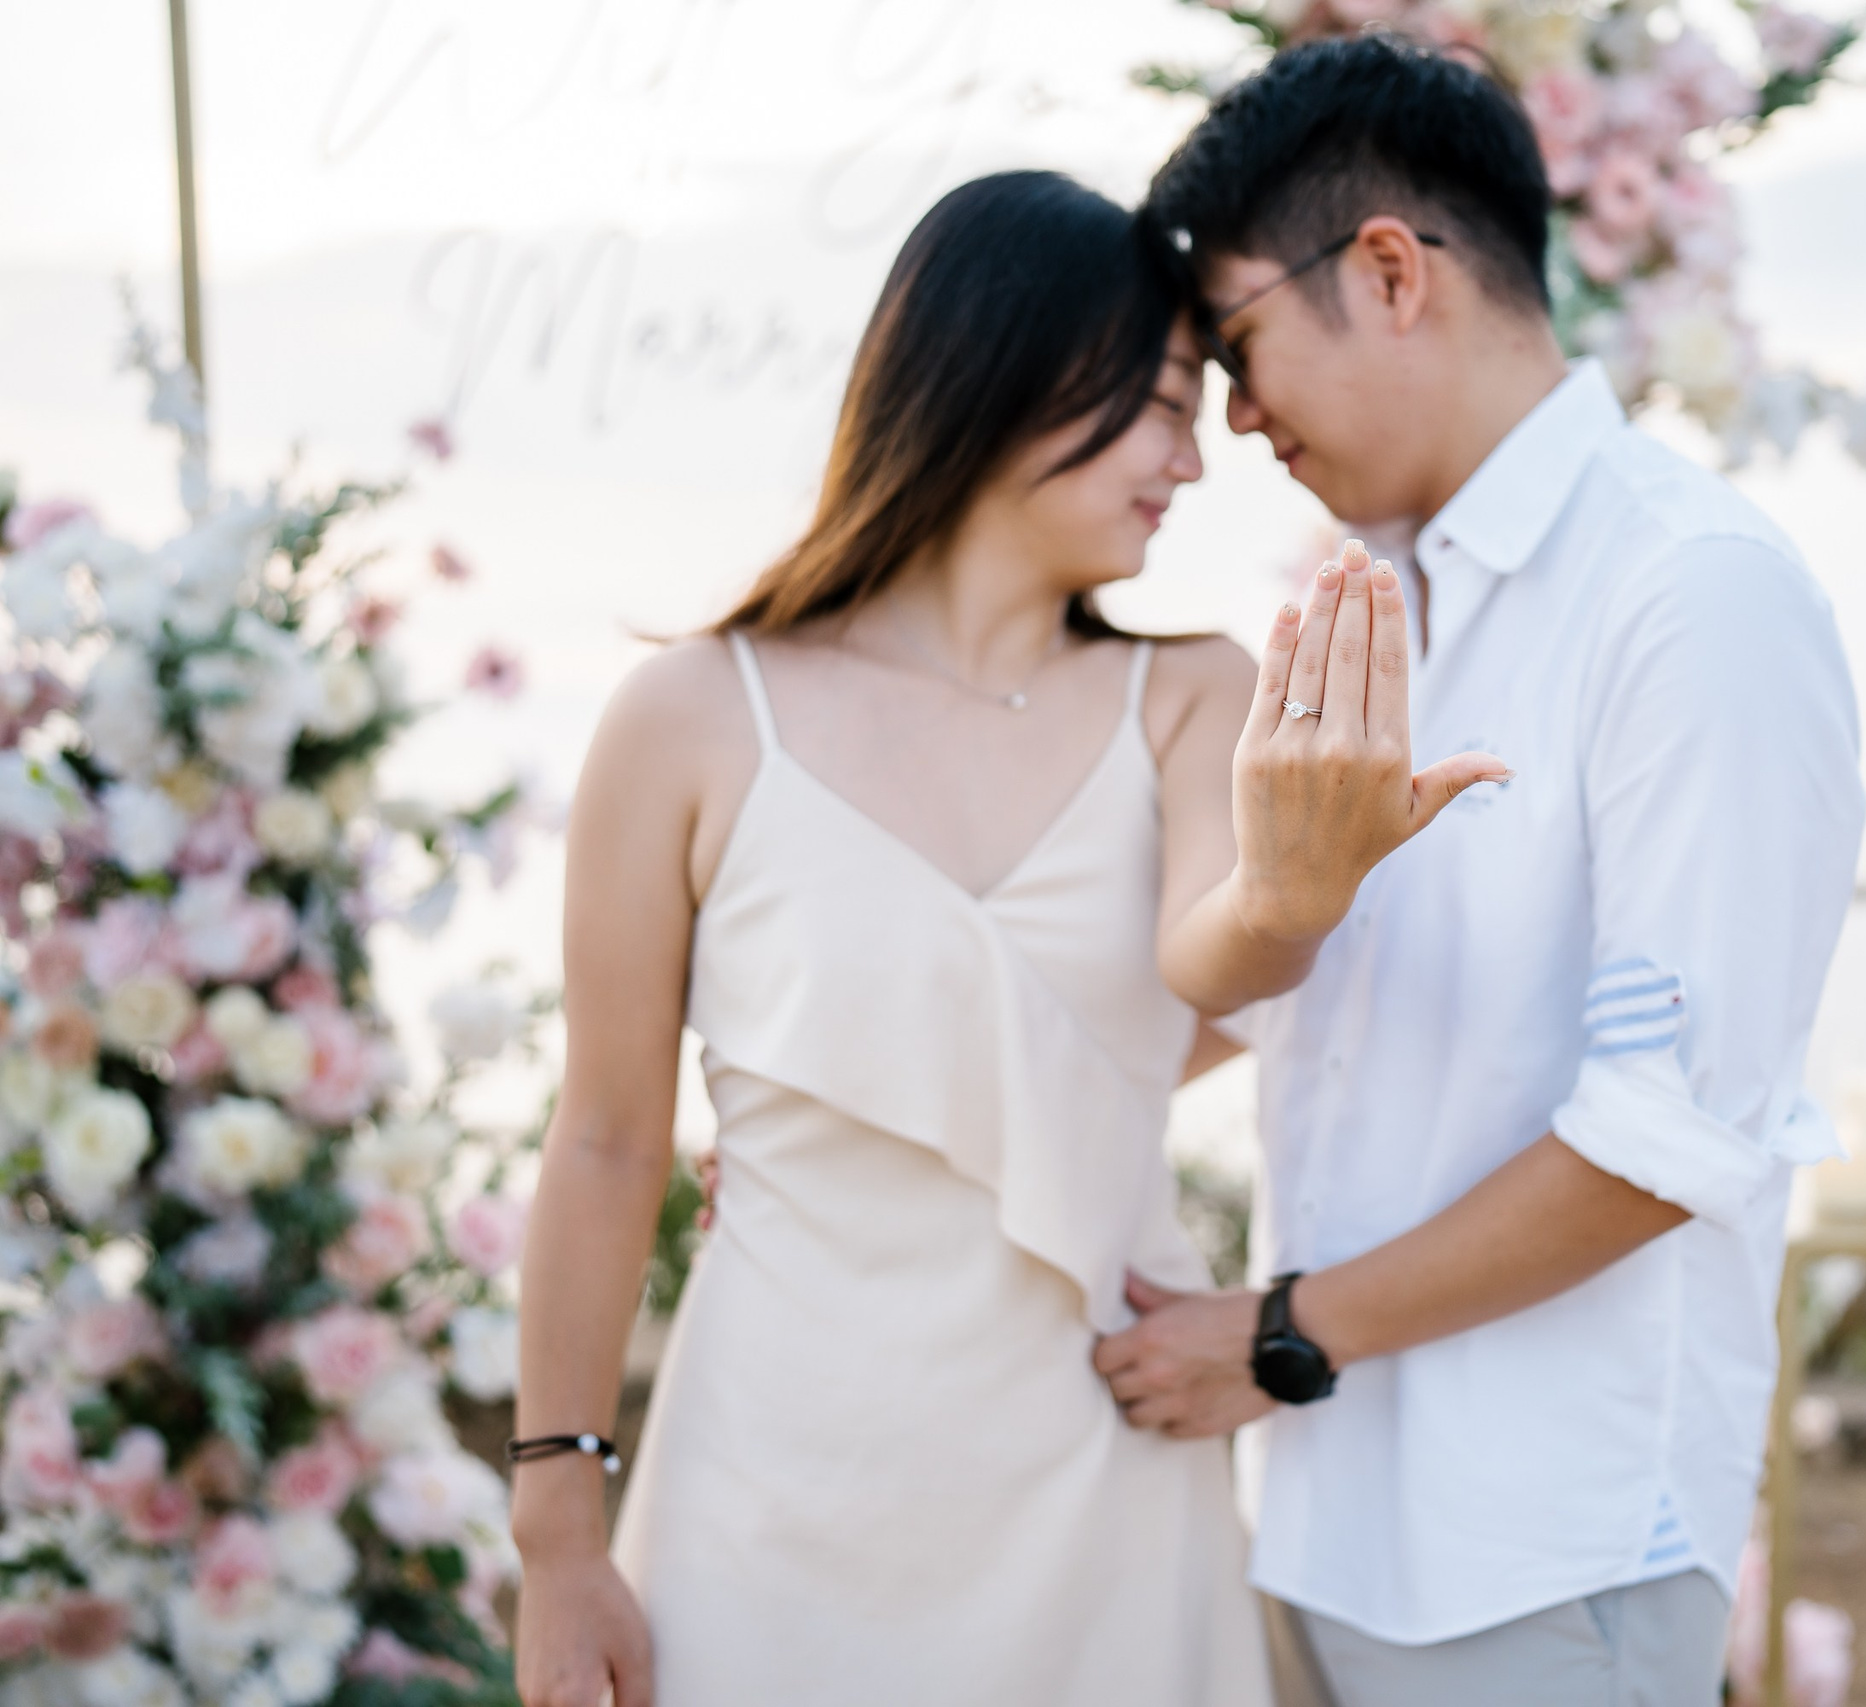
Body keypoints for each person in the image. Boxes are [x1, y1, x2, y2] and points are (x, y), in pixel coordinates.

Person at [506, 169, 1497, 1707]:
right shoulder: (693, 717)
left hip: (1095, 1473)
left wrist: (1297, 893)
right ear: (1009, 373)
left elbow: (1213, 955)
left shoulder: (1190, 697)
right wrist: (560, 1539)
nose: (1191, 461)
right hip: (767, 1485)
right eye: (1166, 405)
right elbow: (608, 1142)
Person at [1095, 36, 1866, 1707]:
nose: (1233, 423)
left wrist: (1278, 1334)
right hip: (1327, 1518)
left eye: (1239, 348)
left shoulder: (1692, 595)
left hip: (1544, 1549)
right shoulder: (1377, 598)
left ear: (1385, 270)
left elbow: (1672, 1136)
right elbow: (1323, 1003)